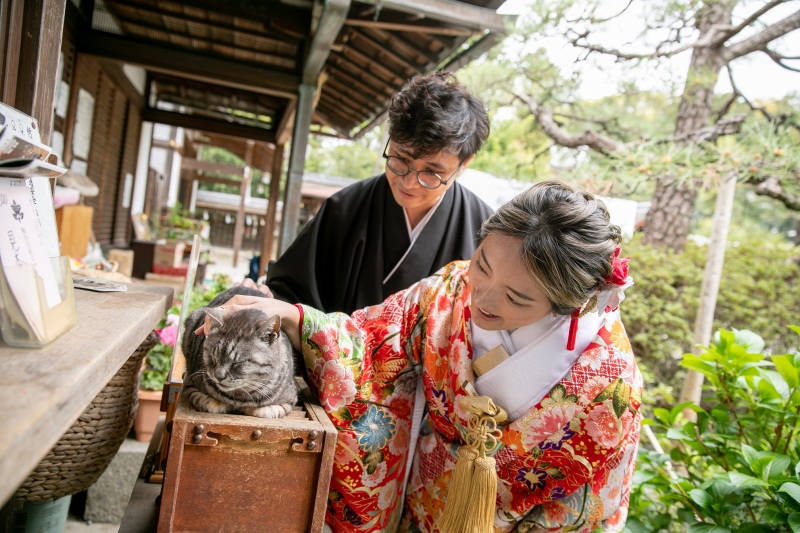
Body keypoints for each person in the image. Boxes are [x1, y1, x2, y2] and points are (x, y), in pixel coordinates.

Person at [200, 181, 642, 532]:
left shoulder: (608, 386)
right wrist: (297, 318)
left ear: (572, 304)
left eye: (516, 297)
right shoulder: (448, 293)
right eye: (482, 264)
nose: (483, 298)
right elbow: (370, 342)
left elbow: (586, 508)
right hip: (421, 505)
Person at [265, 70, 493, 314]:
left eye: (431, 173)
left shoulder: (484, 230)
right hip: (335, 353)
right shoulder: (345, 209)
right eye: (400, 159)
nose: (409, 182)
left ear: (464, 164)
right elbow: (289, 291)